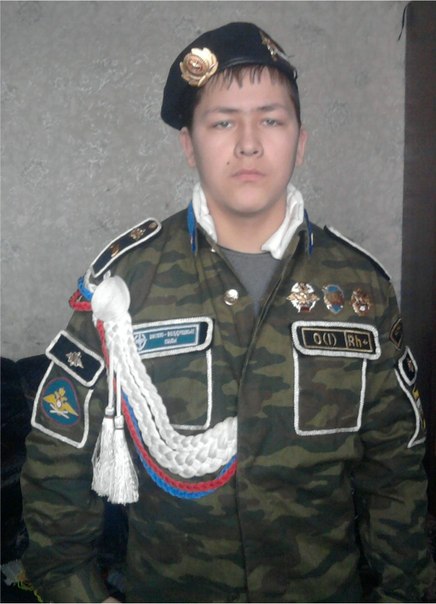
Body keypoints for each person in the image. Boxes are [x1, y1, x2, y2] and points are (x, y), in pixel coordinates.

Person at [21, 22, 434, 603]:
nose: (248, 144)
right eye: (222, 122)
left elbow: (396, 469)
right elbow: (58, 454)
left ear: (300, 141)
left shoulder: (361, 287)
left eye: (271, 120)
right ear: (188, 145)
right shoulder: (125, 285)